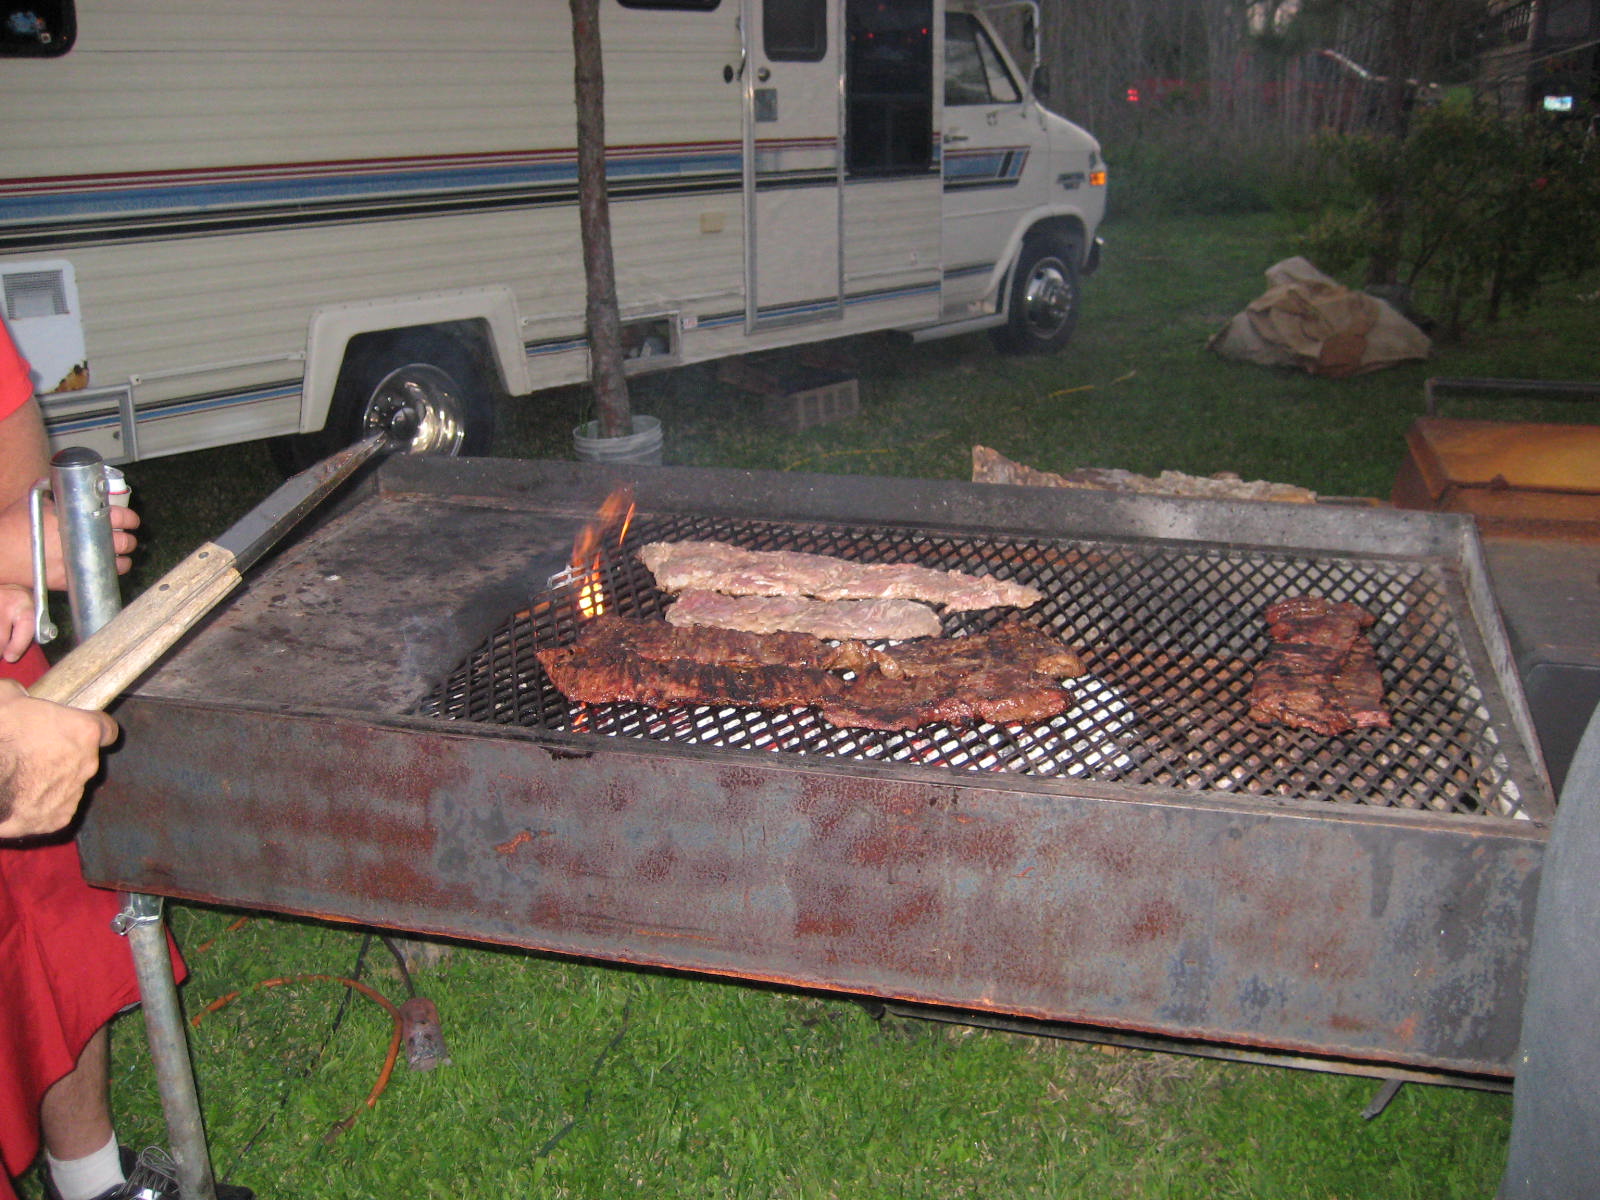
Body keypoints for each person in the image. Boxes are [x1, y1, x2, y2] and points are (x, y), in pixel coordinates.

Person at [0, 319, 248, 1200]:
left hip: (15, 683)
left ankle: (87, 1179)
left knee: (59, 918)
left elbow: (21, 477)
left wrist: (31, 558)